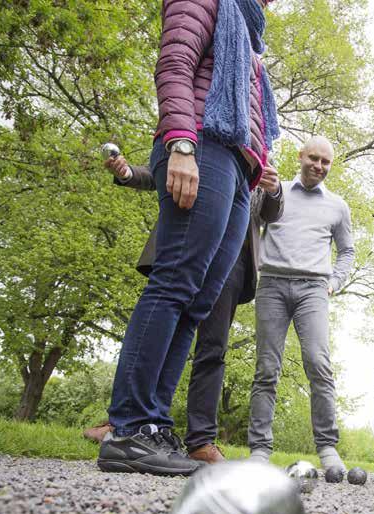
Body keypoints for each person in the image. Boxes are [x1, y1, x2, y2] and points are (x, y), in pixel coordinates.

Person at [98, 0, 279, 475]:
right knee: (174, 283)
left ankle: (154, 426)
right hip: (201, 144)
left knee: (197, 302)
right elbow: (176, 63)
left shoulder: (252, 37)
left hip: (241, 168)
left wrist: (258, 159)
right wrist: (181, 142)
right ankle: (129, 426)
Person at [84, 150, 284, 465]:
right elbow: (169, 172)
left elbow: (271, 214)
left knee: (210, 346)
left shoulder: (256, 167)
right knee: (166, 310)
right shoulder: (212, 143)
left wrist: (272, 189)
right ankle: (128, 422)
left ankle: (197, 439)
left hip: (232, 260)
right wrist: (127, 174)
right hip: (193, 238)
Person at [246, 136, 354, 473]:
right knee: (266, 368)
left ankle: (327, 448)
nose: (318, 166)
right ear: (300, 156)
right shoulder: (274, 191)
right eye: (313, 158)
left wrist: (333, 283)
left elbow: (347, 251)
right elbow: (249, 222)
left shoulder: (337, 206)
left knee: (318, 364)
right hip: (273, 285)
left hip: (313, 290)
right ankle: (259, 450)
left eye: (325, 162)